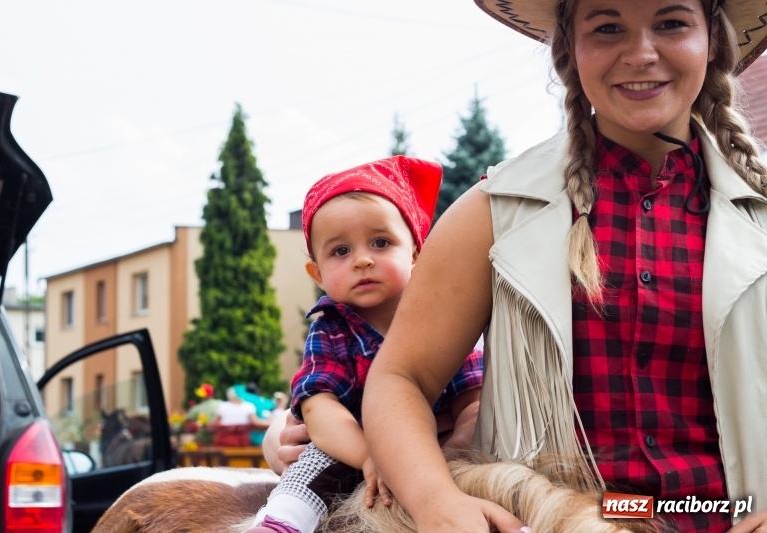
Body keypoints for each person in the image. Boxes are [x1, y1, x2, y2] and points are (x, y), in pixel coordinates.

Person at [360, 1, 767, 532]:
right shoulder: (494, 213)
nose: (641, 54)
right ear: (567, 52)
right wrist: (437, 501)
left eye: (670, 23)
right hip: (548, 522)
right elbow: (400, 378)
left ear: (711, 39)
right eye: (607, 28)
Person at [247, 156, 484, 533]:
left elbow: (472, 401)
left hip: (434, 455)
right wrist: (371, 455)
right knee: (312, 463)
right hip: (350, 448)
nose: (362, 260)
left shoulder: (444, 320)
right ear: (318, 274)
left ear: (417, 254)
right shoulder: (331, 330)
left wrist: (445, 456)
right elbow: (320, 409)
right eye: (341, 251)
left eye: (380, 242)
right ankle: (282, 522)